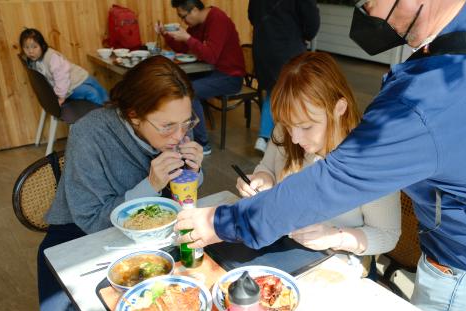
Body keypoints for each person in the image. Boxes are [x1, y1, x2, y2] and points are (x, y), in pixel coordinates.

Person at [176, 0, 466, 311]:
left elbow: (335, 182)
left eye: (371, 3)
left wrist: (219, 221)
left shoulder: (431, 97)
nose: (373, 18)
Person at [37, 55, 204, 311]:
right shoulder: (90, 134)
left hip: (155, 233)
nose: (179, 135)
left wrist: (194, 173)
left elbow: (180, 198)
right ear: (133, 115)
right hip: (79, 234)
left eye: (186, 123)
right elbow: (90, 217)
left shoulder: (178, 126)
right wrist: (151, 184)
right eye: (168, 126)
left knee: (178, 310)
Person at [236, 52, 400, 275]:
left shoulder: (371, 159)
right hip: (282, 249)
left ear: (339, 108)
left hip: (339, 265)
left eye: (306, 127)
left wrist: (333, 236)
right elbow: (267, 167)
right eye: (287, 124)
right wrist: (263, 178)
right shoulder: (287, 131)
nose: (294, 138)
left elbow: (387, 235)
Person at [163, 0, 246, 155]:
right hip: (213, 73)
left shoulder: (217, 19)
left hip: (230, 76)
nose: (183, 21)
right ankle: (183, 135)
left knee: (189, 92)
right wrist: (166, 35)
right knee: (179, 85)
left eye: (183, 17)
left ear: (194, 10)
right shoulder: (197, 25)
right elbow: (184, 47)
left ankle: (202, 144)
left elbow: (211, 56)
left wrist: (187, 37)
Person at [248, 0, 320, 154]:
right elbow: (312, 23)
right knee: (293, 94)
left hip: (263, 47)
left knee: (272, 92)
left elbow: (252, 16)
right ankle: (288, 141)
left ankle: (264, 137)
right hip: (289, 48)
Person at [19, 28, 108, 106]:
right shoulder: (33, 61)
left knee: (97, 86)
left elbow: (61, 77)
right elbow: (61, 80)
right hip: (68, 87)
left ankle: (112, 109)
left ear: (42, 45)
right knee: (92, 92)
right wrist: (61, 96)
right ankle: (103, 116)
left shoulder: (52, 57)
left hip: (77, 76)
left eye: (34, 47)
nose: (30, 51)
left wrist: (60, 96)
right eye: (26, 48)